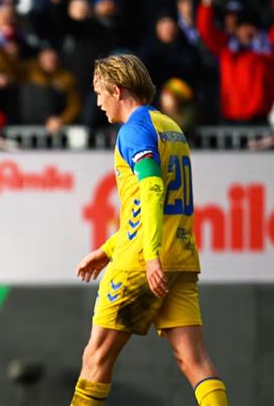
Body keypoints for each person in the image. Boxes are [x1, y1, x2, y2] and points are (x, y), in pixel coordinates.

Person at [71, 54, 228, 406]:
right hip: (182, 257)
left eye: (99, 94)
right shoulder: (170, 126)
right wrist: (109, 248)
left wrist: (151, 255)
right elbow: (158, 204)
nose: (98, 103)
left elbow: (153, 189)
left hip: (144, 260)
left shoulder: (133, 130)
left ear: (117, 89)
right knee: (195, 361)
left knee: (96, 359)